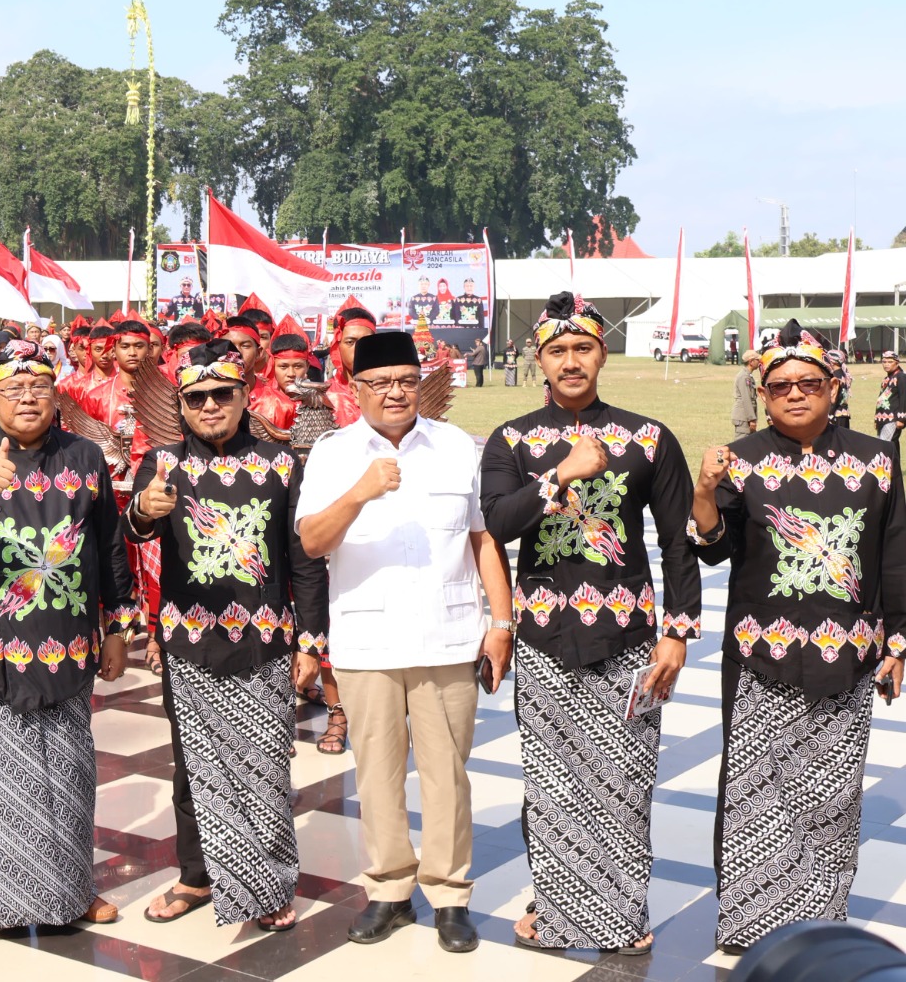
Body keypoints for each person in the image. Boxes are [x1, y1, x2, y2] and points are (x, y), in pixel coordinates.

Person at [479, 292, 701, 955]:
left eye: (583, 348)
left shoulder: (649, 436)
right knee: (552, 783)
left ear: (602, 353)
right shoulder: (512, 440)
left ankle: (621, 914)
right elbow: (495, 523)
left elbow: (678, 542)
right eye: (557, 350)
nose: (571, 361)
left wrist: (678, 631)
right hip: (544, 639)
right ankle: (557, 906)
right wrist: (558, 477)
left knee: (625, 780)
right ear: (539, 359)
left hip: (630, 638)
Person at [688, 320, 906, 956]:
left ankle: (819, 921)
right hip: (763, 654)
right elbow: (713, 547)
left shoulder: (877, 459)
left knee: (832, 794)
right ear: (763, 393)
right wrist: (705, 492)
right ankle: (751, 924)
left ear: (834, 385)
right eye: (779, 384)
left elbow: (895, 555)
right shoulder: (742, 458)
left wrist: (897, 641)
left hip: (850, 653)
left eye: (809, 381)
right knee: (759, 791)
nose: (794, 393)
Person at [298, 330, 513, 953]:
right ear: (354, 388)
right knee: (378, 773)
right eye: (380, 383)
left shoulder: (455, 447)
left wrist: (500, 624)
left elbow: (482, 541)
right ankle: (389, 888)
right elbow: (312, 541)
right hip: (367, 639)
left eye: (405, 380)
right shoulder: (333, 452)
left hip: (448, 637)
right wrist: (361, 491)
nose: (395, 393)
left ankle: (449, 895)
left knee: (448, 772)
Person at [0, 339, 136, 931]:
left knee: (69, 776)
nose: (26, 398)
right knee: (1, 781)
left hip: (69, 643)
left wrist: (118, 623)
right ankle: (1, 902)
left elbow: (109, 545)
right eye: (13, 389)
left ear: (55, 395)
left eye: (38, 387)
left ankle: (76, 891)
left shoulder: (85, 457)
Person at [128, 343, 328, 932]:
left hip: (265, 641)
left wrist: (311, 641)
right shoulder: (163, 464)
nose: (211, 405)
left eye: (223, 394)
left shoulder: (282, 463)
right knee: (193, 765)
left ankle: (267, 885)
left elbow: (305, 561)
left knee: (264, 762)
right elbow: (135, 533)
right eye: (197, 398)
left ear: (245, 396)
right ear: (182, 405)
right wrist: (144, 507)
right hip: (189, 640)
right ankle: (195, 876)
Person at [876, 349, 905, 441]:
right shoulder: (887, 378)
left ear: (896, 363)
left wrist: (902, 418)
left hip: (893, 418)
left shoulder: (901, 377)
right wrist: (877, 418)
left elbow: (904, 397)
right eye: (884, 362)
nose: (886, 364)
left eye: (890, 362)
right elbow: (881, 398)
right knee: (883, 444)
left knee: (888, 444)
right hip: (882, 418)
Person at [732, 353, 761, 436]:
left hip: (746, 416)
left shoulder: (748, 376)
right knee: (741, 444)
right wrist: (751, 419)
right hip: (743, 417)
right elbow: (746, 399)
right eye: (757, 360)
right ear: (751, 361)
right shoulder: (744, 377)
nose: (759, 362)